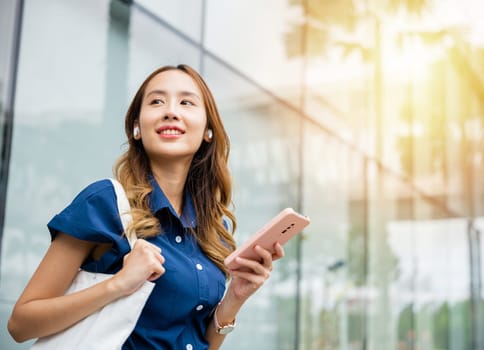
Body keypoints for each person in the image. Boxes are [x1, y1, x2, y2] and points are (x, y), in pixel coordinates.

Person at [7, 64, 284, 349]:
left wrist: (235, 298)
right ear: (137, 127)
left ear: (208, 131)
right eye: (156, 101)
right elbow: (21, 323)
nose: (171, 111)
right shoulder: (105, 203)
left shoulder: (214, 230)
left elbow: (198, 343)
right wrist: (119, 284)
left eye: (186, 102)